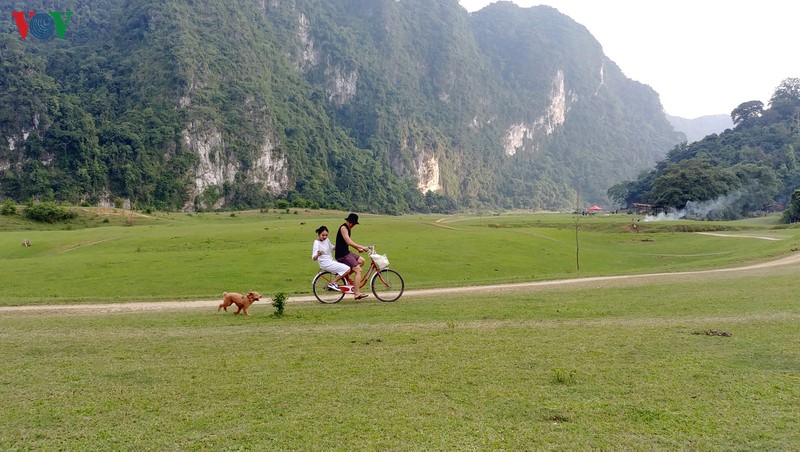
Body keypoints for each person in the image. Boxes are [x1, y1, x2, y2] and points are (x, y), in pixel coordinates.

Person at [336, 212, 369, 300]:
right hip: (342, 254)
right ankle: (357, 293)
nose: (353, 225)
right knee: (358, 270)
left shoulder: (348, 228)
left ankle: (347, 276)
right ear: (349, 222)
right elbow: (349, 242)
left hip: (346, 252)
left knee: (362, 261)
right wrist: (362, 247)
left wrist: (358, 249)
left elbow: (348, 243)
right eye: (352, 223)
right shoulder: (343, 228)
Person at [312, 226, 350, 291]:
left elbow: (331, 247)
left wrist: (341, 247)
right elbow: (314, 258)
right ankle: (332, 283)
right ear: (319, 234)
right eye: (323, 235)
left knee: (345, 266)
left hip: (330, 260)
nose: (325, 237)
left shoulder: (327, 240)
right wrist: (318, 255)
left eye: (326, 235)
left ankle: (344, 283)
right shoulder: (316, 243)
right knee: (347, 269)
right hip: (325, 263)